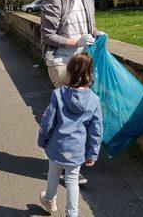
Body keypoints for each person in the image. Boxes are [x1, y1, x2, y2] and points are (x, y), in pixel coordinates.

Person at [40, 0, 105, 184]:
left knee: (77, 114)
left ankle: (67, 162)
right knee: (66, 113)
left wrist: (96, 34)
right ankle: (67, 167)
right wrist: (75, 42)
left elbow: (90, 25)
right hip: (59, 60)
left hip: (81, 61)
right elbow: (48, 35)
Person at [37, 53, 103, 217]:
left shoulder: (58, 94)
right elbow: (96, 130)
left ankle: (49, 199)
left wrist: (42, 140)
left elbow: (48, 122)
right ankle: (71, 214)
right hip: (76, 149)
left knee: (53, 172)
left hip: (56, 146)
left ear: (70, 72)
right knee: (72, 180)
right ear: (90, 74)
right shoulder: (94, 100)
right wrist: (92, 153)